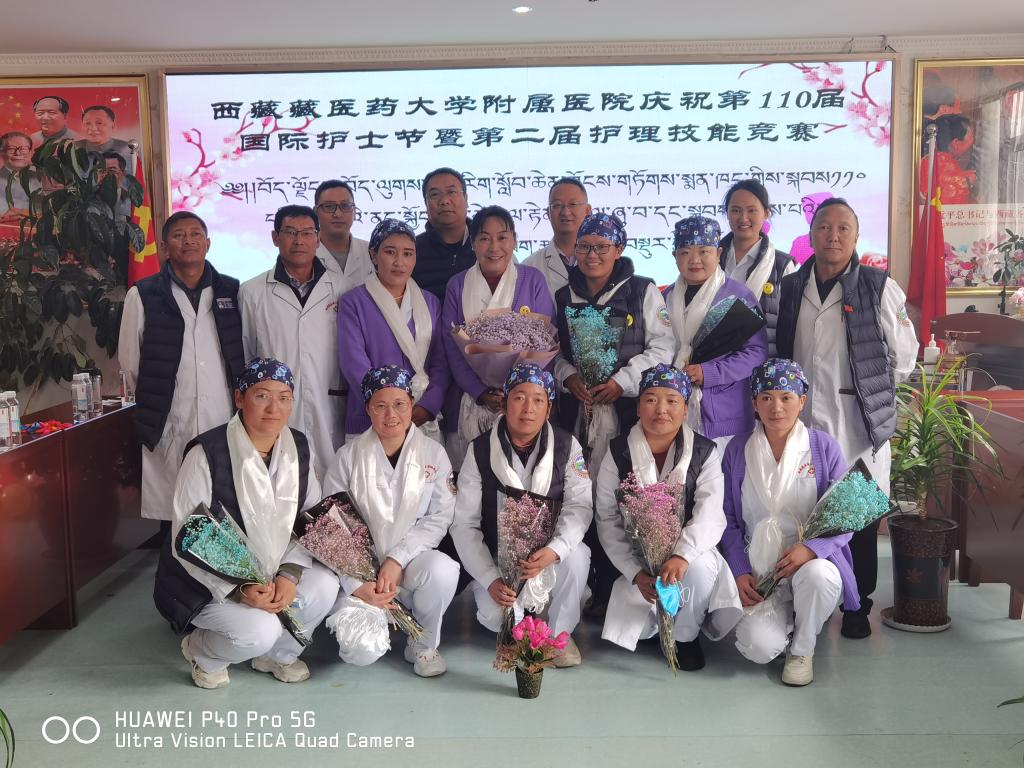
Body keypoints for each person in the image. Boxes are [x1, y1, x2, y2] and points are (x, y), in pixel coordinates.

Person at [776, 197, 917, 639]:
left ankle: (858, 605)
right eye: (824, 227)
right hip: (803, 420)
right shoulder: (791, 286)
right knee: (804, 508)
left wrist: (868, 387)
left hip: (858, 421)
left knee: (858, 514)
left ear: (856, 237)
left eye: (843, 229)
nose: (832, 236)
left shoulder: (878, 285)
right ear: (811, 234)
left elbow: (904, 357)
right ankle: (805, 599)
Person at [157, 358, 339, 689]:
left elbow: (309, 518)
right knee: (260, 631)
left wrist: (289, 575)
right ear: (239, 398)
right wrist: (240, 589)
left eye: (284, 398)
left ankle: (277, 656)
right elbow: (189, 533)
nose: (273, 408)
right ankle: (202, 651)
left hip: (274, 572)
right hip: (208, 584)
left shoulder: (298, 447)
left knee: (325, 584)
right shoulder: (207, 452)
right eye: (261, 396)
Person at [596, 364, 741, 671]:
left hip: (687, 555)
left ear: (685, 409)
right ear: (638, 407)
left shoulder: (705, 452)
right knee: (641, 622)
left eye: (672, 401)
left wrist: (682, 556)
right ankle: (657, 627)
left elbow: (710, 513)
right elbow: (607, 517)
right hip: (638, 559)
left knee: (701, 566)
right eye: (650, 400)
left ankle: (685, 637)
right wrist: (635, 571)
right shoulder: (618, 451)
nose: (661, 409)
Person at [720, 359, 856, 686]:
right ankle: (790, 624)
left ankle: (802, 649)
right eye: (766, 397)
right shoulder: (737, 449)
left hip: (809, 562)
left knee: (819, 576)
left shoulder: (823, 447)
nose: (776, 407)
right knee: (758, 647)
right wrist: (739, 569)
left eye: (786, 397)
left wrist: (811, 548)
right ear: (754, 403)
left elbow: (847, 512)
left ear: (802, 400)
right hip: (760, 569)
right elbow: (726, 518)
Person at [451, 363, 592, 667]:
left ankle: (560, 635)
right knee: (495, 618)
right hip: (499, 558)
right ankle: (521, 624)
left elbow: (579, 506)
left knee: (578, 555)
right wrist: (489, 578)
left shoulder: (568, 446)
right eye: (519, 398)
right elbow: (464, 524)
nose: (528, 408)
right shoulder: (479, 450)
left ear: (549, 408)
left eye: (538, 399)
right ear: (504, 404)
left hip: (546, 557)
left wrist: (555, 550)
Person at [322, 365, 459, 677]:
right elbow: (332, 523)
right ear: (367, 409)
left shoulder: (433, 454)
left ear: (411, 404)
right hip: (360, 570)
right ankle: (371, 613)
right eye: (380, 406)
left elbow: (439, 517)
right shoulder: (348, 456)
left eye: (399, 404)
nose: (391, 415)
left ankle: (423, 645)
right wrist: (358, 584)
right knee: (360, 652)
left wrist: (397, 558)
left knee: (443, 570)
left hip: (409, 564)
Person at [118, 211, 243, 529]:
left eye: (195, 234)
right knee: (176, 514)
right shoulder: (143, 294)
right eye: (178, 235)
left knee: (223, 505)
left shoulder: (231, 290)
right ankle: (174, 560)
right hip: (169, 417)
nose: (188, 241)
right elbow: (130, 364)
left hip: (221, 415)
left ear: (208, 243)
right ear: (164, 247)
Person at [554, 212, 674, 475]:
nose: (592, 255)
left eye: (602, 247)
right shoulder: (563, 296)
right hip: (575, 412)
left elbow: (663, 347)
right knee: (577, 480)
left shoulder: (642, 291)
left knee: (623, 478)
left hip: (629, 410)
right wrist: (568, 376)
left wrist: (622, 381)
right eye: (584, 246)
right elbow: (554, 351)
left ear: (618, 250)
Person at [240, 204, 354, 479]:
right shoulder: (252, 292)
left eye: (307, 233)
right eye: (290, 232)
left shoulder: (342, 289)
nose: (299, 240)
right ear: (275, 237)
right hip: (274, 407)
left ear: (318, 238)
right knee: (280, 479)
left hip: (330, 403)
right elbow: (247, 354)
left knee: (333, 481)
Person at [440, 205, 554, 467]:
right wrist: (480, 391)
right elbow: (453, 348)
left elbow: (545, 342)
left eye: (502, 237)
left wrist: (515, 391)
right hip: (473, 402)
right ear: (472, 243)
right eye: (484, 238)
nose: (494, 247)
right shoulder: (457, 285)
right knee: (475, 473)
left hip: (524, 402)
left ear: (514, 240)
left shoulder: (532, 280)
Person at [663, 216, 768, 448]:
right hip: (672, 410)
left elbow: (756, 353)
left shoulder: (738, 297)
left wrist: (709, 373)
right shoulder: (664, 298)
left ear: (719, 254)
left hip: (726, 416)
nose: (695, 260)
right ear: (674, 256)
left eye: (704, 251)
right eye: (685, 252)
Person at [338, 219, 447, 441]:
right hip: (372, 418)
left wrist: (428, 405)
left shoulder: (430, 303)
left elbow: (441, 362)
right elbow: (353, 363)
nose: (399, 262)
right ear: (373, 255)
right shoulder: (354, 302)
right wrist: (390, 408)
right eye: (390, 252)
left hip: (421, 416)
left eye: (408, 254)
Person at [720, 180, 796, 356]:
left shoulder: (781, 265)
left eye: (752, 210)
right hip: (714, 364)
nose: (743, 218)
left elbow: (791, 326)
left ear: (766, 213)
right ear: (727, 213)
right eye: (736, 210)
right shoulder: (710, 260)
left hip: (765, 364)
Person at [523, 176, 592, 301]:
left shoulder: (604, 262)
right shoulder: (529, 267)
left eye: (573, 204)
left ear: (588, 211)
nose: (565, 212)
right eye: (557, 205)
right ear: (548, 213)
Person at [412, 167, 476, 300]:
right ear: (426, 204)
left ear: (466, 198)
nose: (444, 201)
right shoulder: (411, 251)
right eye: (435, 194)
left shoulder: (488, 245)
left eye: (451, 192)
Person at [313, 179, 373, 286]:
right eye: (329, 207)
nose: (338, 214)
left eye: (345, 206)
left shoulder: (372, 253)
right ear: (315, 212)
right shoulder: (304, 253)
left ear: (355, 212)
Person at [77, 105, 135, 171]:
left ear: (113, 126)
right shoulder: (74, 148)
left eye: (99, 123)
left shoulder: (127, 149)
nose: (93, 128)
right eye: (87, 123)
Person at [0, 132, 40, 222]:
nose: (18, 153)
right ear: (1, 152)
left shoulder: (44, 178)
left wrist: (21, 212)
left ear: (30, 153)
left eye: (23, 149)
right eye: (11, 149)